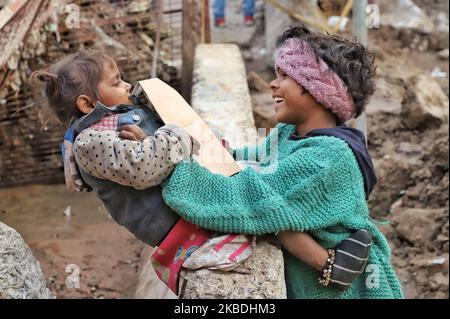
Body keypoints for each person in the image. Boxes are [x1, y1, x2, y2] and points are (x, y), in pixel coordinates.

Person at [32, 47, 373, 296]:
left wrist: (204, 144)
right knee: (260, 207)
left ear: (316, 92)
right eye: (118, 82)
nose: (127, 86)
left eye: (284, 76)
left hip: (179, 200)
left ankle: (328, 263)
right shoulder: (92, 142)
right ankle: (327, 264)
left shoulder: (331, 153)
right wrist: (178, 133)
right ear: (87, 105)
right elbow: (146, 167)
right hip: (175, 218)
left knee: (262, 202)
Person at [161, 24, 404, 298]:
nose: (272, 84)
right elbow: (252, 160)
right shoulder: (289, 133)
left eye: (285, 75)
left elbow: (253, 197)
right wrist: (201, 145)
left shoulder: (327, 158)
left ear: (318, 91)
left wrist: (172, 171)